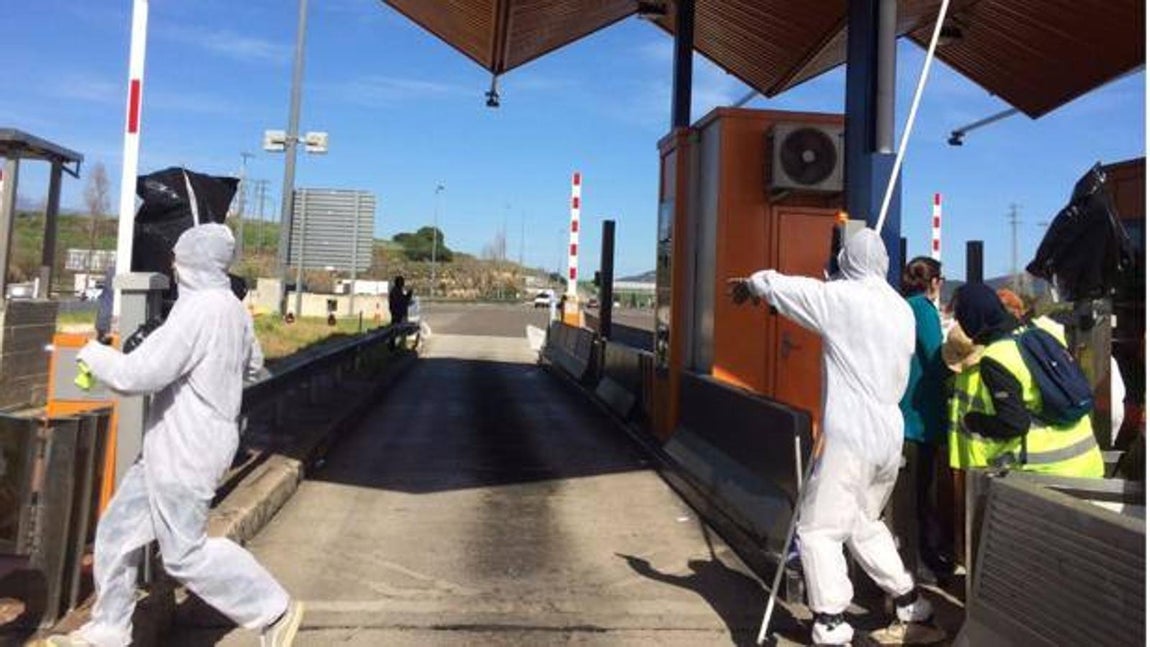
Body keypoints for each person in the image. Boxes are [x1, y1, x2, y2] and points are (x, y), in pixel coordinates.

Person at [42, 224, 302, 647]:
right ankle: (110, 627)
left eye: (178, 257)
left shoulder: (198, 310)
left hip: (186, 450)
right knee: (116, 531)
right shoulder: (232, 309)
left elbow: (139, 375)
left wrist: (90, 351)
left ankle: (274, 609)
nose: (173, 265)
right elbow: (253, 365)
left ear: (191, 262)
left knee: (186, 553)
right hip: (179, 446)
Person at [729, 229, 934, 645]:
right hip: (888, 433)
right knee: (863, 521)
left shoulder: (840, 300)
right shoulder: (902, 310)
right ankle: (909, 599)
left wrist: (753, 284)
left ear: (846, 262)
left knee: (819, 529)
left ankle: (831, 621)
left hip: (851, 432)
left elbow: (789, 288)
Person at [948, 282, 1104, 477]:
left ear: (971, 318)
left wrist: (974, 421)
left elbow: (1014, 423)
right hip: (1088, 462)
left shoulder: (996, 356)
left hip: (1046, 473)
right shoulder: (1037, 334)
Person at [892, 257, 953, 582]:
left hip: (900, 413)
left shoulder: (899, 307)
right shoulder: (924, 310)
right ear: (934, 282)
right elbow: (936, 357)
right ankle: (920, 561)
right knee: (920, 495)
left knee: (907, 496)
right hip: (921, 416)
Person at [388, 275, 413, 350]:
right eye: (402, 282)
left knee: (398, 331)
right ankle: (394, 345)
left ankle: (397, 345)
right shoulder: (396, 291)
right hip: (397, 314)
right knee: (396, 330)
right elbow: (402, 302)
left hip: (399, 313)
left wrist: (408, 296)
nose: (403, 284)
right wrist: (408, 296)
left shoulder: (397, 291)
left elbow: (403, 301)